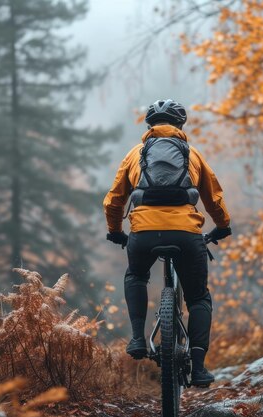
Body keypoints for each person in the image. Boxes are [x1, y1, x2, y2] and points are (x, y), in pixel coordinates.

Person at [103, 99, 231, 386]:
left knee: (136, 274)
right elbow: (214, 197)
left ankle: (137, 338)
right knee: (198, 297)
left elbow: (114, 200)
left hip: (144, 233)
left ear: (150, 125)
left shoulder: (135, 154)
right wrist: (222, 226)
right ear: (180, 125)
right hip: (186, 234)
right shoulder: (192, 154)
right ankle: (198, 368)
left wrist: (115, 230)